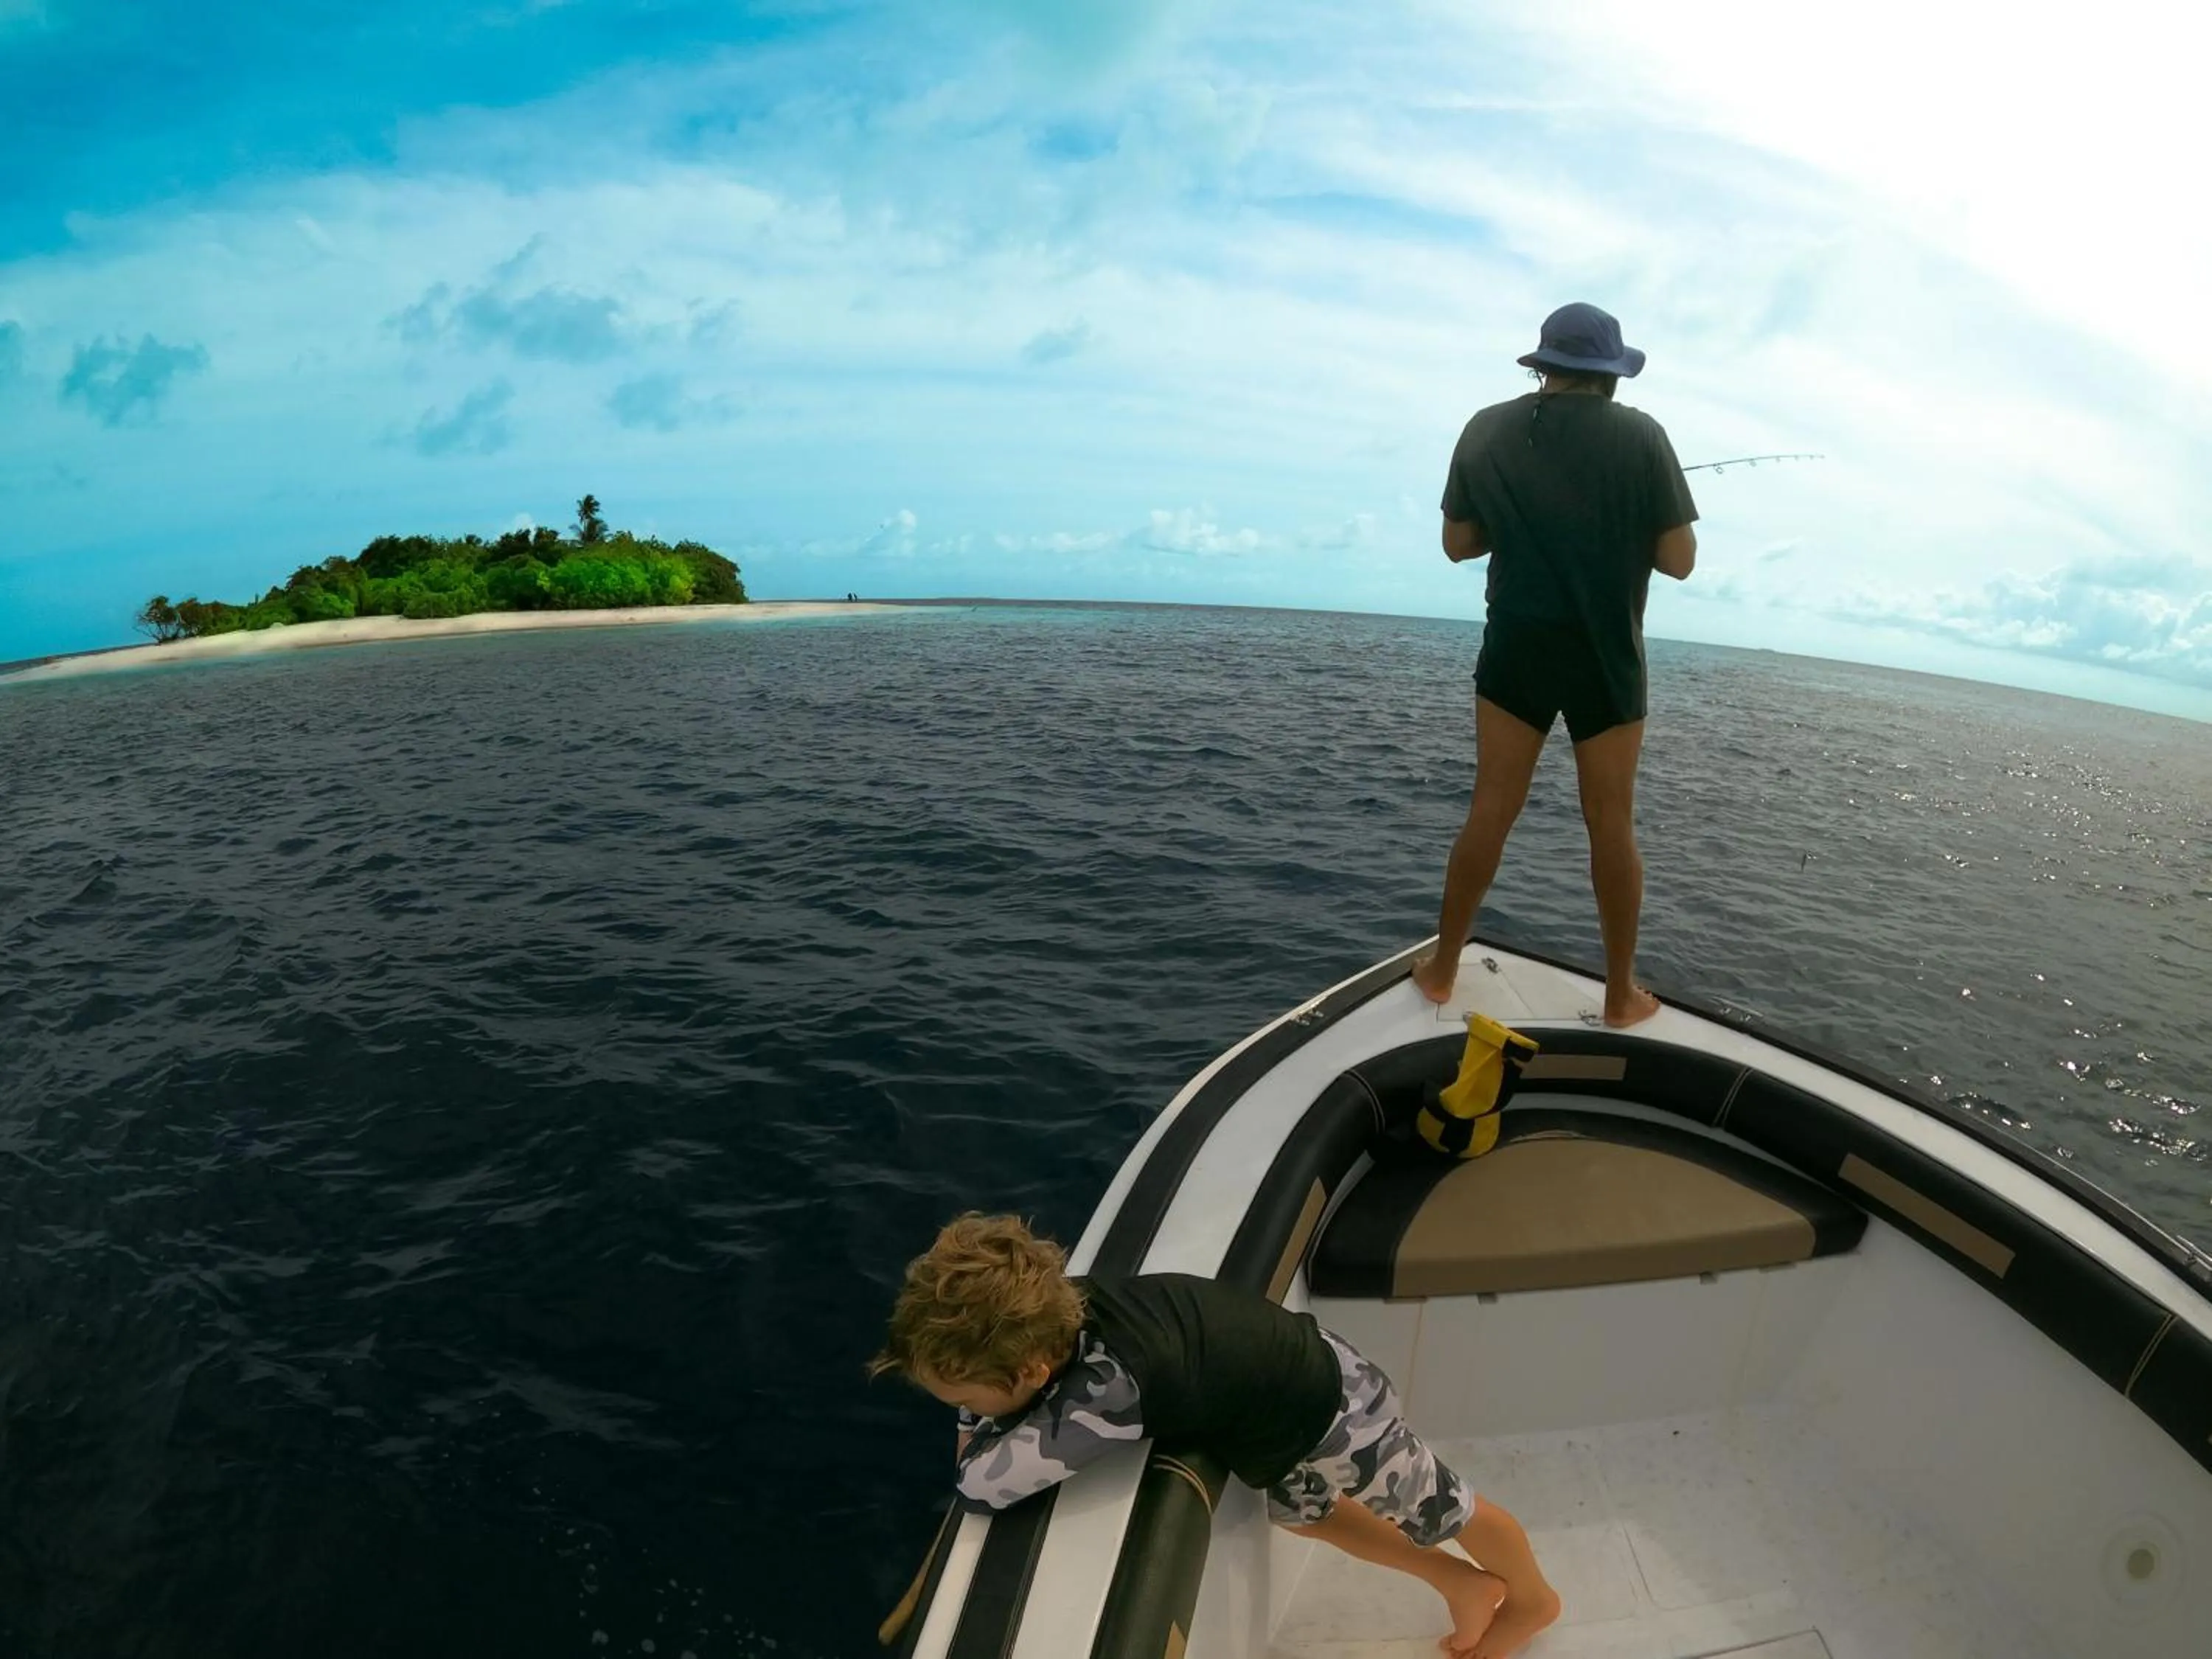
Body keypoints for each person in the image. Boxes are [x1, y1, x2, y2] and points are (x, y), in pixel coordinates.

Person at [871, 1213, 1561, 1657]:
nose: (956, 1410)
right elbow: (998, 1423)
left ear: (1032, 1367)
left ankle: (1533, 1600)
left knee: (1446, 1507)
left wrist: (978, 1428)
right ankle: (1458, 1583)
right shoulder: (1058, 1306)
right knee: (1306, 1517)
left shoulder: (1108, 1394)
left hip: (1336, 1408)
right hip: (1268, 1420)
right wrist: (983, 1407)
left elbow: (984, 1484)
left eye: (958, 1398)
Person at [1411, 302, 1700, 1028]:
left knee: (1491, 809)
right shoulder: (1643, 436)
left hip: (1516, 648)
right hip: (1606, 658)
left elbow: (1458, 543)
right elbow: (1679, 560)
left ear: (1544, 365)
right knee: (1612, 825)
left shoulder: (1486, 428)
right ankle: (1618, 997)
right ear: (1609, 373)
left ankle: (1443, 969)